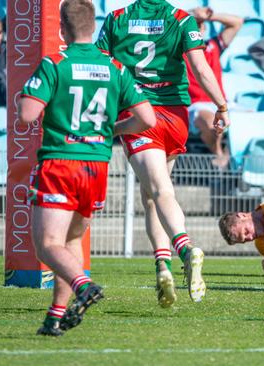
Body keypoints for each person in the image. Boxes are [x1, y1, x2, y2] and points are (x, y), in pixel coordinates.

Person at [19, 0, 156, 336]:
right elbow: (147, 119)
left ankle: (83, 285)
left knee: (47, 244)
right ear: (94, 27)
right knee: (73, 240)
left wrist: (23, 98)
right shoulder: (115, 67)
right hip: (96, 166)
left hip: (61, 160)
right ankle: (55, 317)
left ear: (62, 29)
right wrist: (113, 130)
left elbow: (27, 115)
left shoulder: (56, 64)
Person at [95, 0, 230, 308]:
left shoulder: (116, 18)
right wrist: (221, 106)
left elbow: (102, 69)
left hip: (140, 115)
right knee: (151, 194)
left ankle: (185, 250)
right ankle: (162, 268)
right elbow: (200, 67)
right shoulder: (181, 19)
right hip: (175, 118)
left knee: (159, 190)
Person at [184, 7, 243, 167]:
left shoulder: (213, 45)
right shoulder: (178, 49)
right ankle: (220, 155)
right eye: (193, 24)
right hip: (197, 104)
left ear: (204, 29)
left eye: (200, 25)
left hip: (221, 101)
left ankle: (236, 157)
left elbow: (237, 22)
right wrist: (192, 15)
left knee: (255, 119)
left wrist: (209, 16)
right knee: (212, 123)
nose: (197, 28)